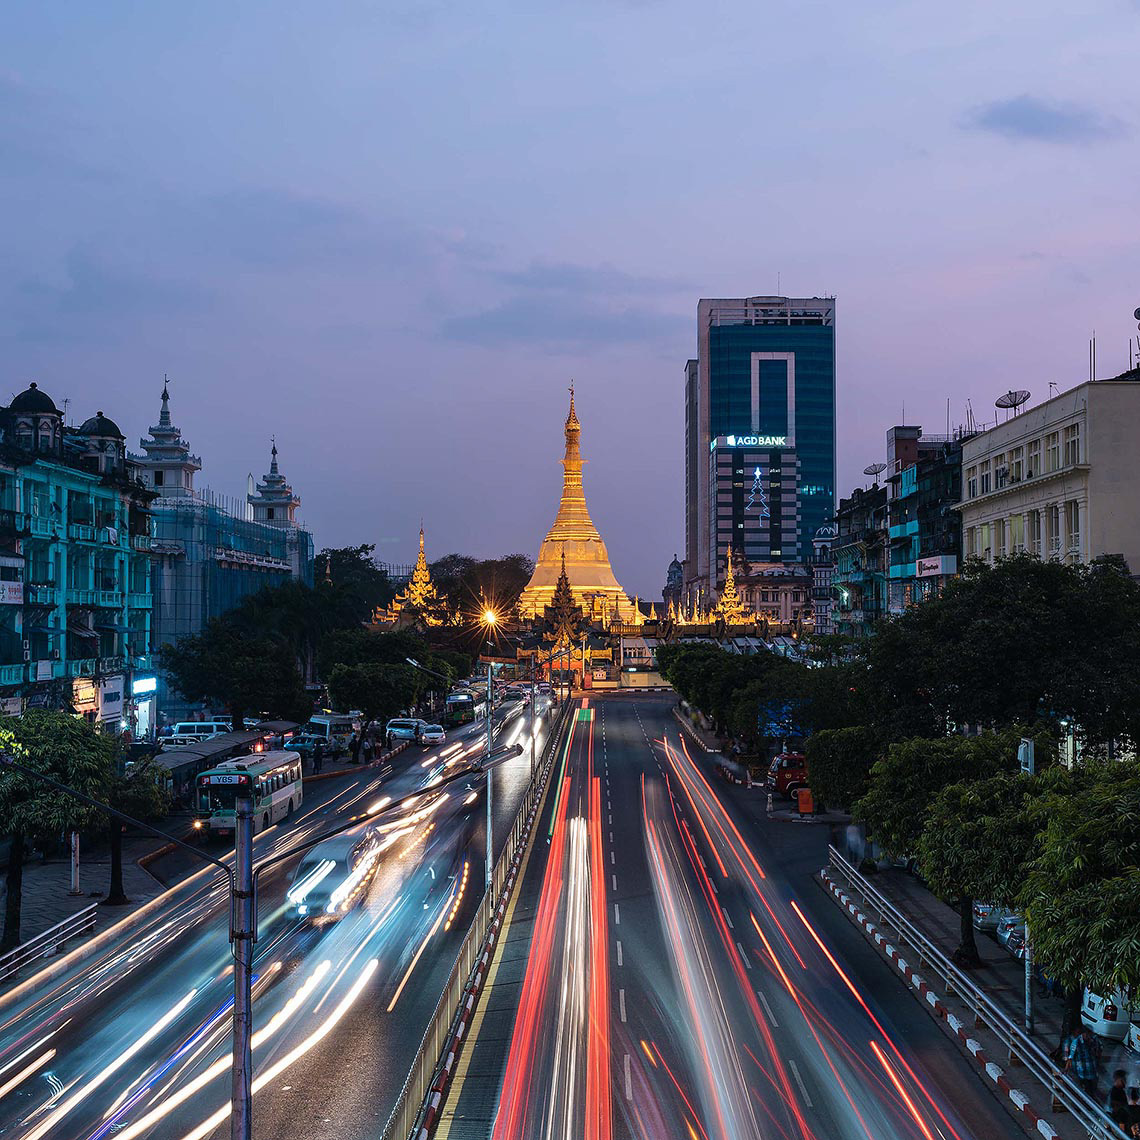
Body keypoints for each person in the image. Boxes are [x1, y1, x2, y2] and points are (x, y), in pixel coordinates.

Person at [1065, 1026, 1102, 1096]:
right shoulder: (1076, 1042)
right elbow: (1070, 1057)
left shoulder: (1094, 1040)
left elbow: (1099, 1051)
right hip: (1082, 1073)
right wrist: (1066, 1069)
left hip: (1092, 1072)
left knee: (1092, 1092)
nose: (1089, 1036)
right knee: (1083, 1093)